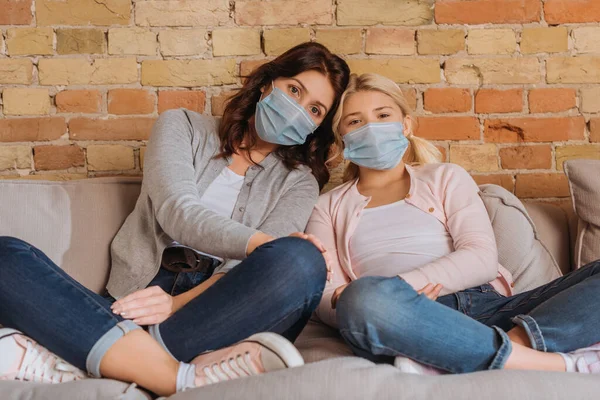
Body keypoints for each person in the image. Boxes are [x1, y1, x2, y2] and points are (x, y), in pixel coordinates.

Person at [0, 42, 350, 395]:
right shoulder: (182, 126)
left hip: (219, 311)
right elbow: (177, 211)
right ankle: (178, 376)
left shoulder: (300, 182)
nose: (297, 110)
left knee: (302, 260)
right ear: (266, 84)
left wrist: (175, 304)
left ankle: (100, 359)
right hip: (132, 303)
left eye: (315, 109)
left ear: (317, 127)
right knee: (6, 256)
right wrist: (261, 243)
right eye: (294, 90)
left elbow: (250, 270)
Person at [306, 72, 600, 376]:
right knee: (361, 298)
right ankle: (551, 363)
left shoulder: (446, 176)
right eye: (355, 122)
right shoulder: (326, 207)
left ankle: (482, 351)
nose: (372, 128)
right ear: (341, 136)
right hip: (400, 320)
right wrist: (397, 299)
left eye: (383, 115)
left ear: (405, 125)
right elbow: (329, 299)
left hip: (486, 308)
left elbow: (482, 258)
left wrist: (404, 286)